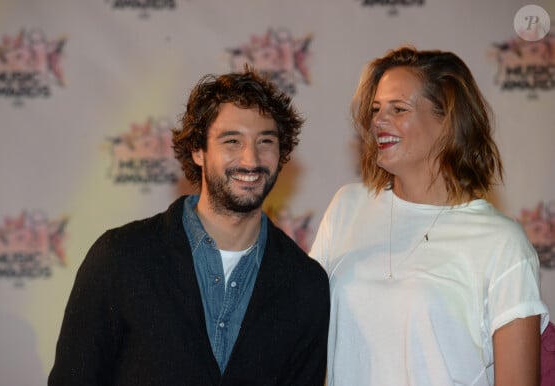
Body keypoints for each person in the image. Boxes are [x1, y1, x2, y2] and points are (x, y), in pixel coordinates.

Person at [49, 68, 330, 385]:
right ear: (198, 150)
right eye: (232, 141)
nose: (251, 160)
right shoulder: (120, 258)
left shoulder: (306, 285)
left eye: (266, 140)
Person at [309, 46, 550, 386]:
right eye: (376, 109)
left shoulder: (502, 243)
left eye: (398, 108)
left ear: (448, 122)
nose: (378, 120)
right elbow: (301, 331)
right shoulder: (347, 207)